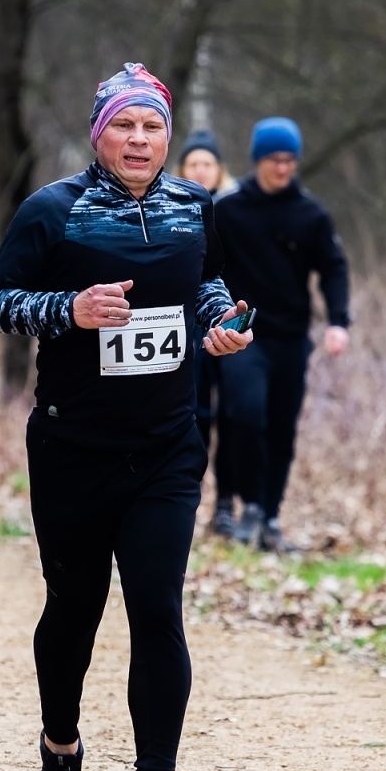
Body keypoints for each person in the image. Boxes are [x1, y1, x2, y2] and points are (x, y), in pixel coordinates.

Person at [0, 63, 253, 771]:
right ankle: (61, 751)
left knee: (157, 604)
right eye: (124, 126)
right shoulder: (52, 212)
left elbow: (206, 285)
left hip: (166, 446)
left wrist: (222, 320)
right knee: (75, 608)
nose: (139, 139)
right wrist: (69, 309)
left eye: (152, 126)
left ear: (169, 135)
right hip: (71, 448)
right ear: (100, 133)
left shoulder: (197, 207)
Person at [213, 116, 351, 553]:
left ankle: (270, 517)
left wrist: (338, 321)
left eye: (290, 160)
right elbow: (202, 264)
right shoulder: (228, 210)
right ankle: (248, 503)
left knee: (281, 428)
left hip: (291, 337)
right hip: (241, 333)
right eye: (275, 159)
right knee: (245, 414)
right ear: (258, 160)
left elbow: (333, 269)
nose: (284, 167)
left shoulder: (310, 214)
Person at [176, 130, 239, 536]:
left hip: (231, 324)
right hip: (185, 329)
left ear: (220, 171)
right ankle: (185, 499)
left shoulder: (238, 211)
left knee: (232, 417)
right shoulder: (171, 209)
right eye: (193, 164)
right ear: (181, 170)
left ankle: (227, 507)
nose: (200, 170)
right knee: (194, 415)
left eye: (207, 164)